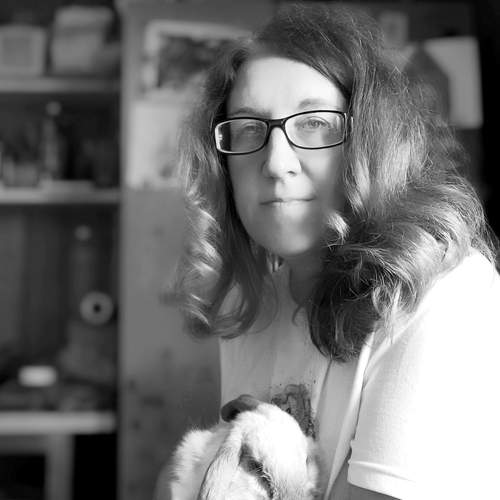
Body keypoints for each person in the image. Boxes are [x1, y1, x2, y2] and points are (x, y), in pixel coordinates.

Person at [168, 3, 500, 499]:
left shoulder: (446, 297)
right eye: (249, 128)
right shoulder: (253, 308)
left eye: (315, 123)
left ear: (370, 141)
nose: (276, 163)